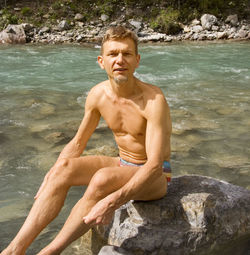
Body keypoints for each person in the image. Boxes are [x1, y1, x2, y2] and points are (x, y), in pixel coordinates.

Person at [1, 25, 172, 255]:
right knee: (62, 168)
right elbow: (77, 143)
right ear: (102, 61)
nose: (119, 60)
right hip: (124, 163)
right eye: (113, 54)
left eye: (126, 53)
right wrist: (52, 175)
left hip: (156, 175)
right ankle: (14, 250)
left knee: (102, 179)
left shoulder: (153, 100)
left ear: (137, 60)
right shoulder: (98, 95)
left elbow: (153, 166)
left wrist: (112, 201)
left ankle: (50, 251)